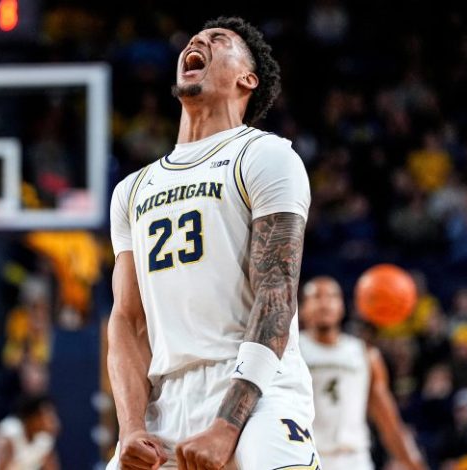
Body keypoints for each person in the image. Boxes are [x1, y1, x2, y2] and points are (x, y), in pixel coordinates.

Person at [108, 16, 318, 469]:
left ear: (247, 78)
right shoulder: (131, 190)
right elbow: (127, 320)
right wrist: (130, 427)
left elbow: (276, 293)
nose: (198, 41)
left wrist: (226, 425)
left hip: (257, 390)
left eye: (218, 40)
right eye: (195, 39)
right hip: (166, 400)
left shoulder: (265, 155)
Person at [298, 276, 426, 470]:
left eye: (332, 296)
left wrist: (414, 463)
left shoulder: (365, 354)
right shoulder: (290, 352)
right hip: (305, 457)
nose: (324, 303)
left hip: (354, 459)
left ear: (342, 307)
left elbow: (388, 422)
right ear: (302, 309)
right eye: (316, 297)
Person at [0, 394, 60, 470]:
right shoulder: (10, 432)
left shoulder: (44, 440)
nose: (52, 420)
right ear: (32, 418)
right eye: (46, 415)